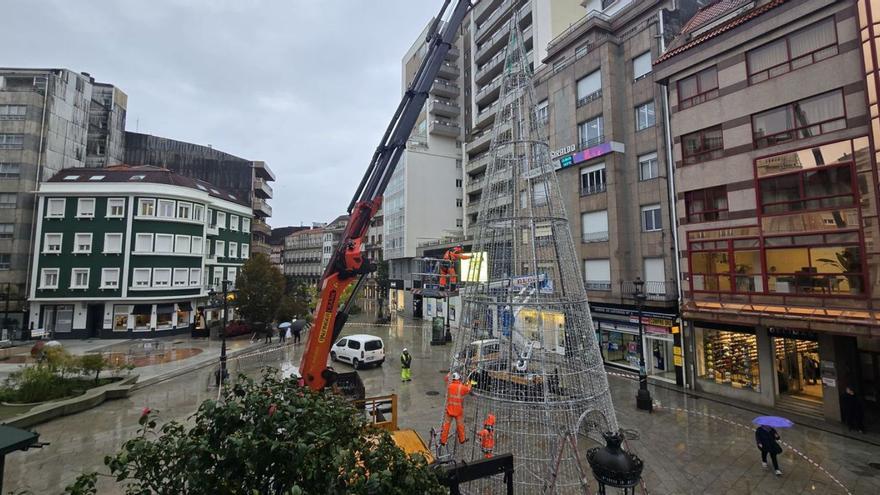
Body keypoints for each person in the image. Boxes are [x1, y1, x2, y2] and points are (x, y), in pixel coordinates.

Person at [440, 372, 472, 446]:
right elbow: (468, 389)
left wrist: (449, 374)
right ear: (459, 378)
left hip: (449, 410)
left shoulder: (449, 386)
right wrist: (469, 383)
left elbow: (446, 379)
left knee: (446, 426)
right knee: (460, 426)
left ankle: (443, 441)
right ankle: (462, 439)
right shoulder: (461, 387)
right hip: (458, 411)